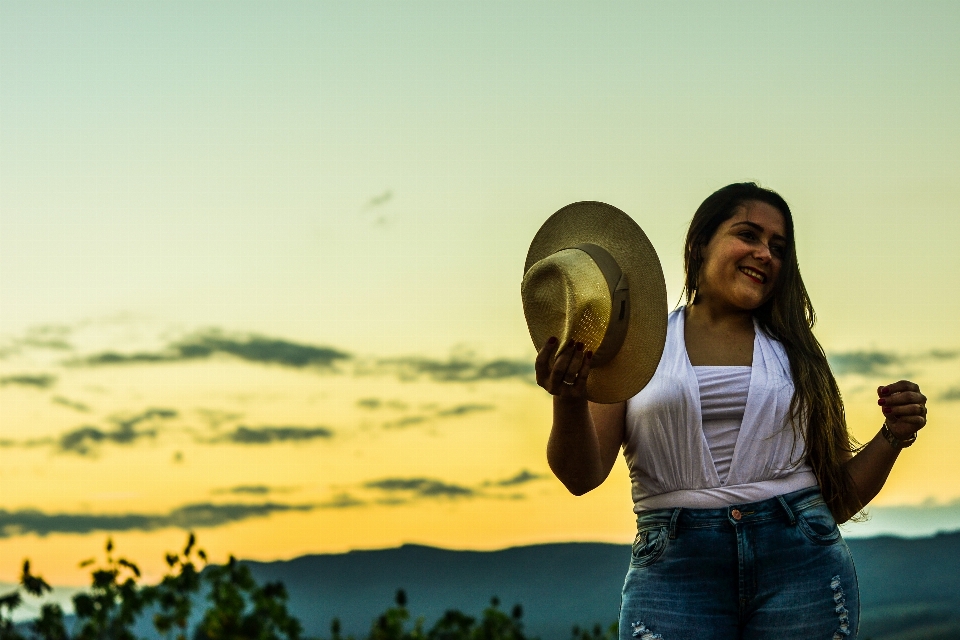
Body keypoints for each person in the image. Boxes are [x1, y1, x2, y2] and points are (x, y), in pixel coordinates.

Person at [533, 184, 928, 639]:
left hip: (802, 569)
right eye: (749, 235)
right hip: (674, 574)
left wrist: (893, 435)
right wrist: (569, 399)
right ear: (700, 243)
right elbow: (580, 476)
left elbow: (837, 499)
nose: (765, 254)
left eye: (778, 248)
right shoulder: (635, 350)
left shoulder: (798, 356)